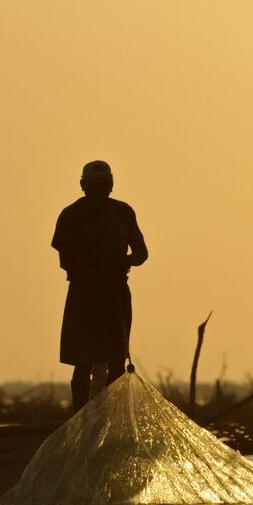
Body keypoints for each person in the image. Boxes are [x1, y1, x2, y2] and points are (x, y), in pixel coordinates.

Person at [52, 160, 148, 411]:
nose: (98, 190)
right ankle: (79, 417)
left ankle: (113, 416)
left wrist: (121, 263)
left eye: (103, 184)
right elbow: (66, 260)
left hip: (114, 295)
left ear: (111, 185)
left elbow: (141, 253)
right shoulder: (71, 215)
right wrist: (94, 274)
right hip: (84, 296)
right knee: (83, 360)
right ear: (83, 185)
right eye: (94, 184)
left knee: (117, 359)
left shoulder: (123, 212)